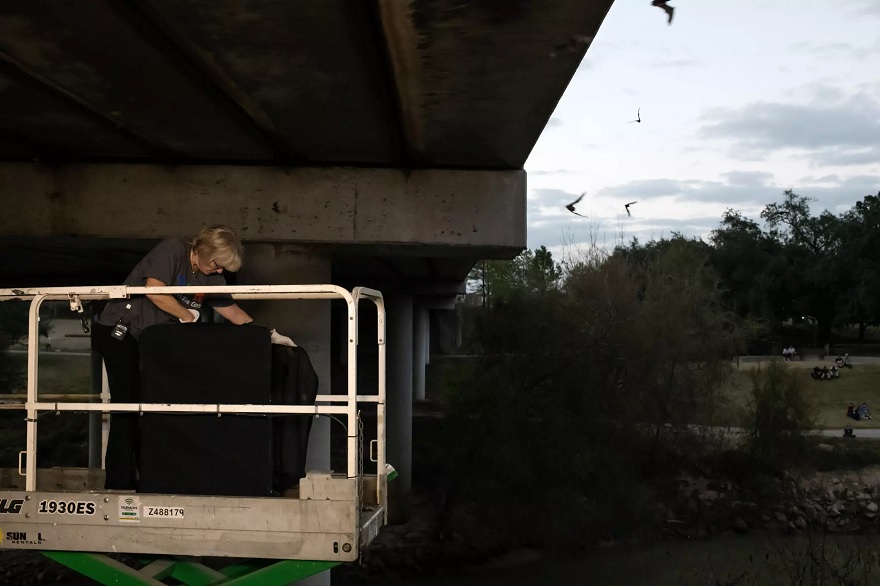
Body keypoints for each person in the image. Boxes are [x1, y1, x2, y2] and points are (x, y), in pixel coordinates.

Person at [92, 225, 294, 490]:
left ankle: (152, 476)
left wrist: (267, 336)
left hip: (151, 342)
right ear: (203, 251)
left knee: (157, 408)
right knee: (128, 407)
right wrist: (187, 315)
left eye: (224, 268)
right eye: (218, 264)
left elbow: (233, 312)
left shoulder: (213, 279)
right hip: (122, 332)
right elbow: (154, 289)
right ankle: (118, 484)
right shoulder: (174, 249)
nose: (220, 271)